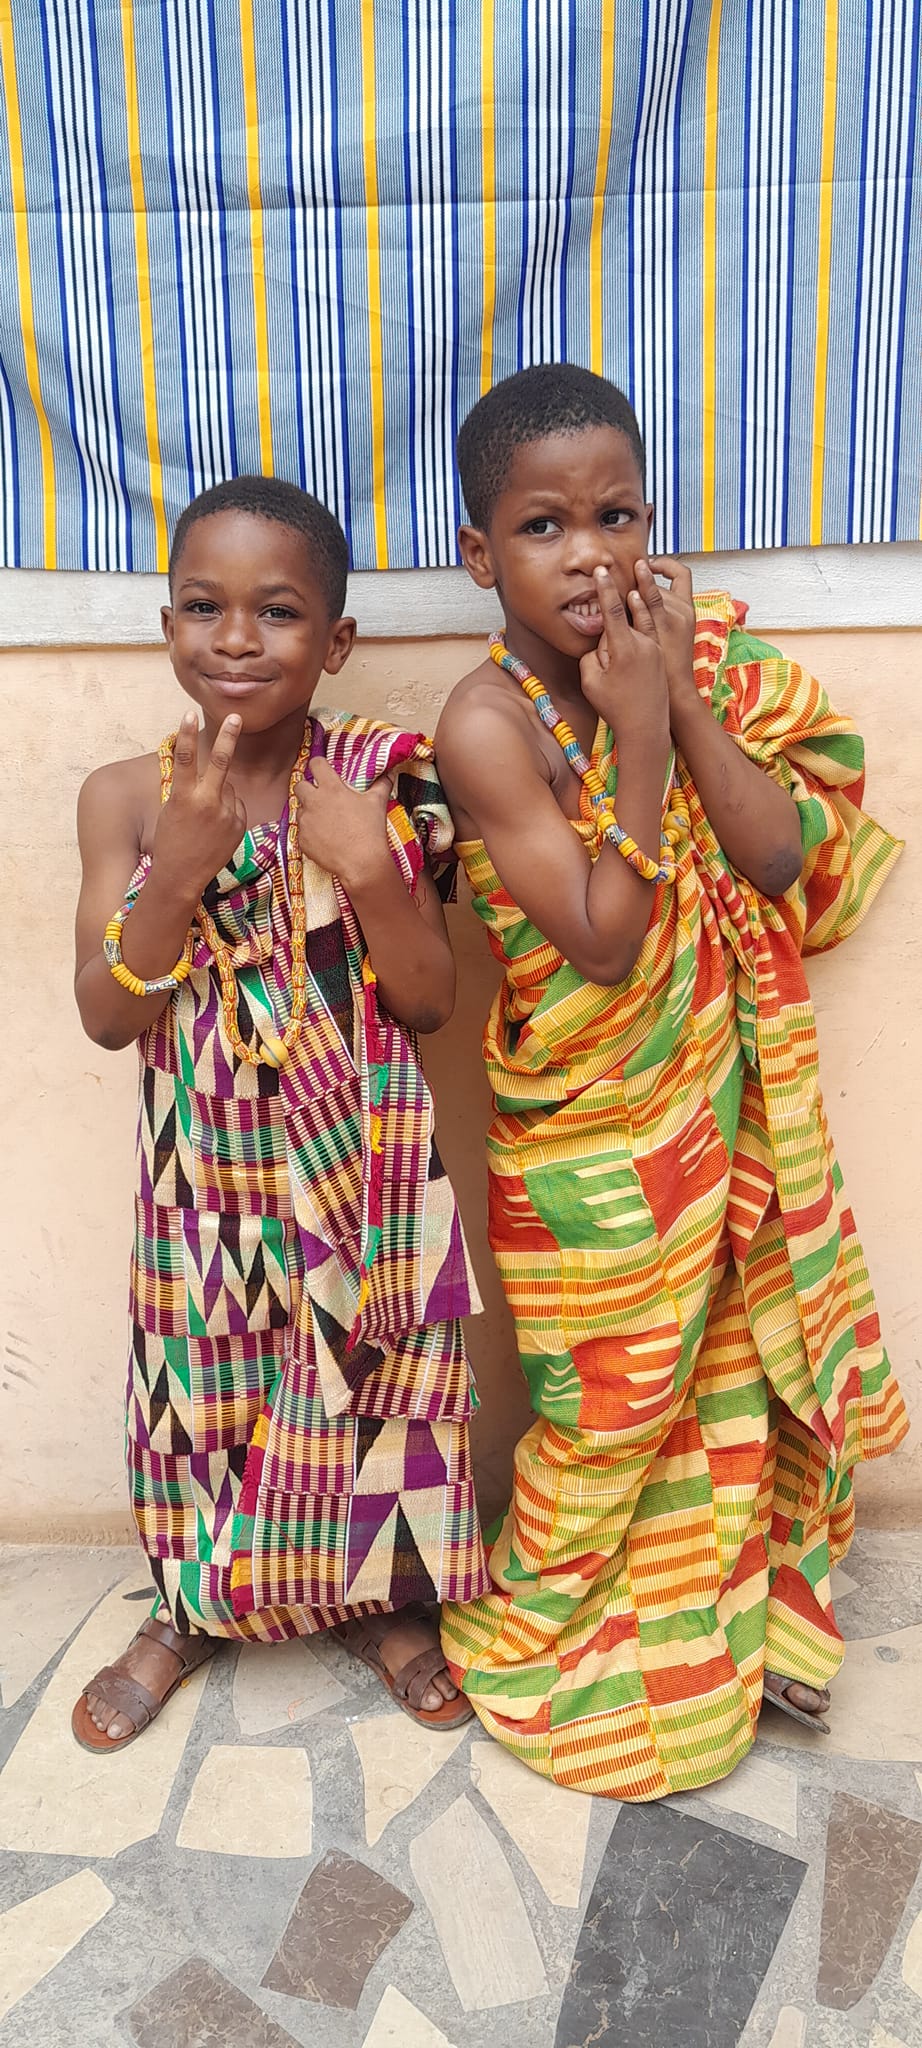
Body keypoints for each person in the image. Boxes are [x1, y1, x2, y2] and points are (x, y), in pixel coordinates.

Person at [436, 364, 908, 1798]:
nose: (590, 556)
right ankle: (538, 1637)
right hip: (592, 1148)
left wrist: (681, 697)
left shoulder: (683, 662)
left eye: (616, 515)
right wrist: (633, 731)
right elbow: (598, 941)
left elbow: (778, 861)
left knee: (728, 1381)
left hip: (721, 1114)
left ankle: (721, 1636)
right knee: (605, 1413)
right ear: (477, 553)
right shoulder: (487, 726)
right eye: (542, 527)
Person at [72, 475, 486, 1751]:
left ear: (337, 641)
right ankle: (192, 1605)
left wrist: (369, 866)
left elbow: (426, 1000)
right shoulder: (124, 799)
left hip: (360, 1154)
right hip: (206, 1166)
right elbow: (105, 1009)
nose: (237, 639)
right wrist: (178, 869)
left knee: (376, 1377)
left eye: (279, 611)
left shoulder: (381, 784)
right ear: (168, 624)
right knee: (206, 1381)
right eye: (205, 606)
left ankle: (378, 1597)